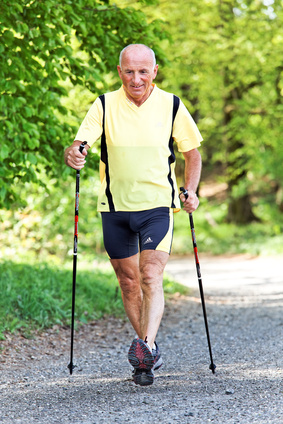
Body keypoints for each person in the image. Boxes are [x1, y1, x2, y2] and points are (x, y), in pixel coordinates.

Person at [64, 44, 202, 386]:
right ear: (119, 70)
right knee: (128, 282)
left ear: (154, 71)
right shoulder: (104, 104)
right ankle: (147, 352)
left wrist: (191, 189)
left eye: (143, 71)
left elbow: (192, 153)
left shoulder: (171, 105)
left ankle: (147, 348)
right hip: (115, 208)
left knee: (150, 274)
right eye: (129, 71)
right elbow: (81, 143)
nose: (136, 78)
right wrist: (75, 152)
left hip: (157, 206)